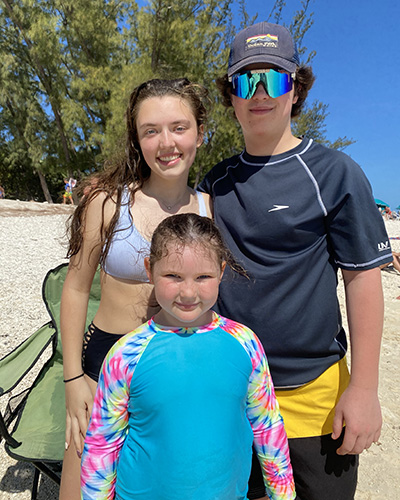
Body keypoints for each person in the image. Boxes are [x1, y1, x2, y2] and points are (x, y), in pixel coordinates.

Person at [199, 21, 393, 500]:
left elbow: (363, 280)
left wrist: (364, 391)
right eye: (246, 80)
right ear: (231, 95)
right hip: (232, 392)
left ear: (296, 90)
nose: (259, 93)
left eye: (274, 79)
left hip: (315, 396)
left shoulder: (335, 173)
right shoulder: (212, 184)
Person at [59, 78, 212, 499]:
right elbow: (74, 290)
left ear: (200, 131)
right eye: (151, 130)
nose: (167, 142)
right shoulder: (108, 204)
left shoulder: (210, 209)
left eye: (179, 127)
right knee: (81, 489)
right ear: (137, 139)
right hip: (102, 361)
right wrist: (72, 377)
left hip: (180, 367)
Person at [80, 213, 295, 500]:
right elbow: (103, 444)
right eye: (173, 276)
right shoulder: (126, 354)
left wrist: (283, 494)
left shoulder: (245, 343)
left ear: (221, 271)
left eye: (203, 277)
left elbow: (267, 424)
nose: (189, 292)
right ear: (149, 270)